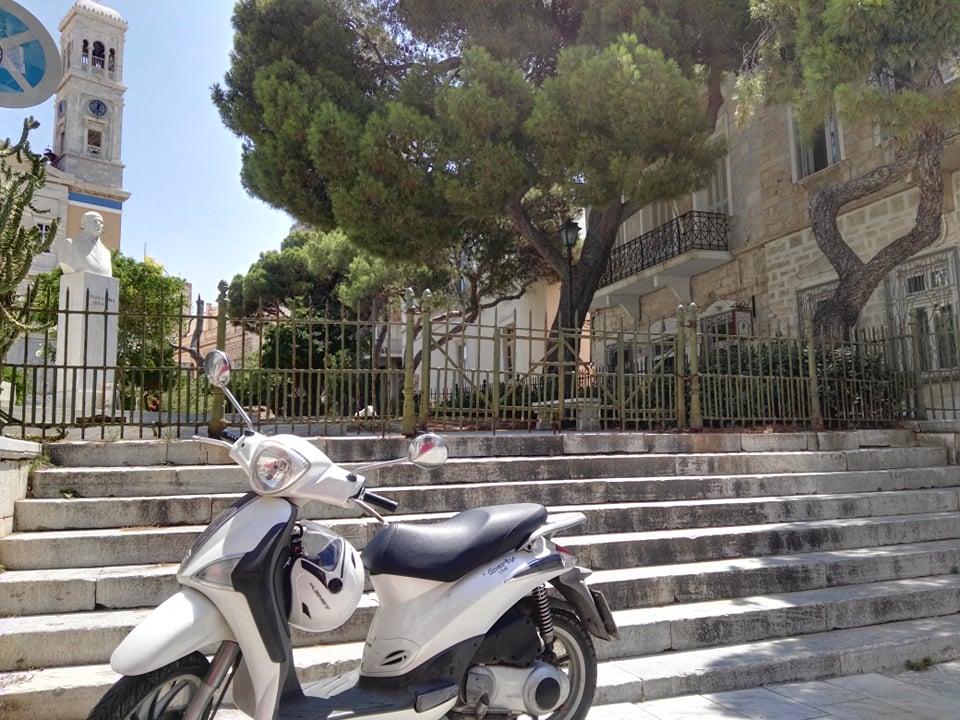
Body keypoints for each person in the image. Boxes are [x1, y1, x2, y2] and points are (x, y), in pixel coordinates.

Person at [57, 211, 112, 277]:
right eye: (95, 221)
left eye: (101, 222)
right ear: (83, 223)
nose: (99, 224)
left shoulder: (106, 253)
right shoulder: (70, 244)